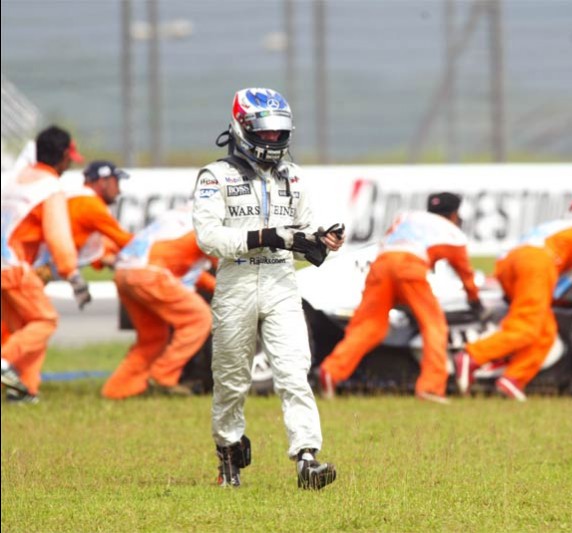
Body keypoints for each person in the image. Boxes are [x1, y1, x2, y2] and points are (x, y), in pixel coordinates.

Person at [193, 87, 344, 489]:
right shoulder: (214, 176)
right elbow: (208, 238)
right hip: (236, 283)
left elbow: (301, 231)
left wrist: (319, 240)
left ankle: (307, 458)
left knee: (295, 371)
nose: (274, 139)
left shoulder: (293, 176)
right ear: (242, 128)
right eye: (266, 132)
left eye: (280, 132)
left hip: (281, 283)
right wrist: (270, 236)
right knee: (231, 378)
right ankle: (228, 451)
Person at [319, 191, 482, 404]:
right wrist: (474, 299)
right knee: (434, 325)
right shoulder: (452, 232)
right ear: (453, 214)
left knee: (370, 326)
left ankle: (332, 371)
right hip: (410, 268)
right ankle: (431, 387)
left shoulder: (407, 217)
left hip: (380, 266)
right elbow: (464, 272)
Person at [455, 198, 572, 401]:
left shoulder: (555, 228)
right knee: (527, 326)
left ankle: (512, 379)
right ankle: (473, 356)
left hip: (508, 264)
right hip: (536, 263)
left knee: (546, 330)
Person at [0, 125, 90, 403]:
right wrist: (72, 275)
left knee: (25, 329)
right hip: (13, 266)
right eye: (68, 160)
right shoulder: (50, 186)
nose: (68, 167)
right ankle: (3, 363)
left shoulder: (11, 179)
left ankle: (24, 390)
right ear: (63, 156)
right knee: (44, 321)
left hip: (6, 264)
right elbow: (58, 235)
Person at [101, 205, 214, 400]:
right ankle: (163, 376)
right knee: (199, 318)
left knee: (153, 338)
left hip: (125, 272)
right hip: (150, 274)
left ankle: (118, 389)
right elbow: (228, 266)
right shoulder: (210, 225)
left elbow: (188, 270)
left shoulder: (180, 215)